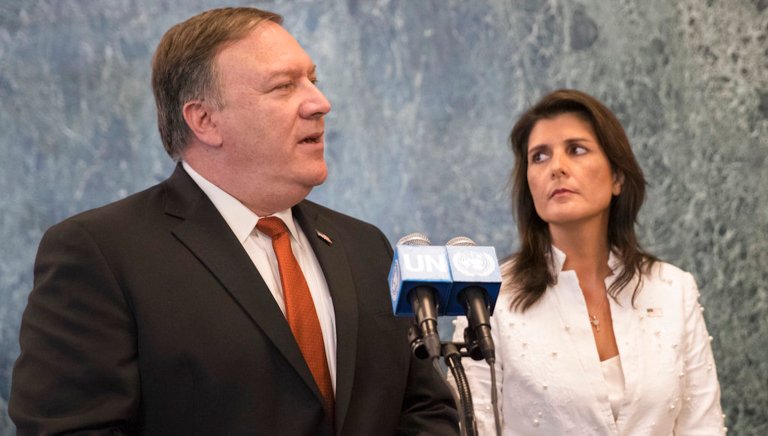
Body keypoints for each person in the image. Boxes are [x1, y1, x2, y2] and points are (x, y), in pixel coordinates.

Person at [9, 7, 459, 435]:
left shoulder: (364, 246)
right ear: (204, 120)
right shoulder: (101, 253)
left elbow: (423, 407)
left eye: (313, 80)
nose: (320, 103)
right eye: (284, 86)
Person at [452, 89, 725, 435]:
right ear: (529, 185)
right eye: (539, 157)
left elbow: (703, 426)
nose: (557, 168)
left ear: (617, 177)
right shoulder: (488, 297)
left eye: (576, 150)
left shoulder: (673, 289)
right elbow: (472, 428)